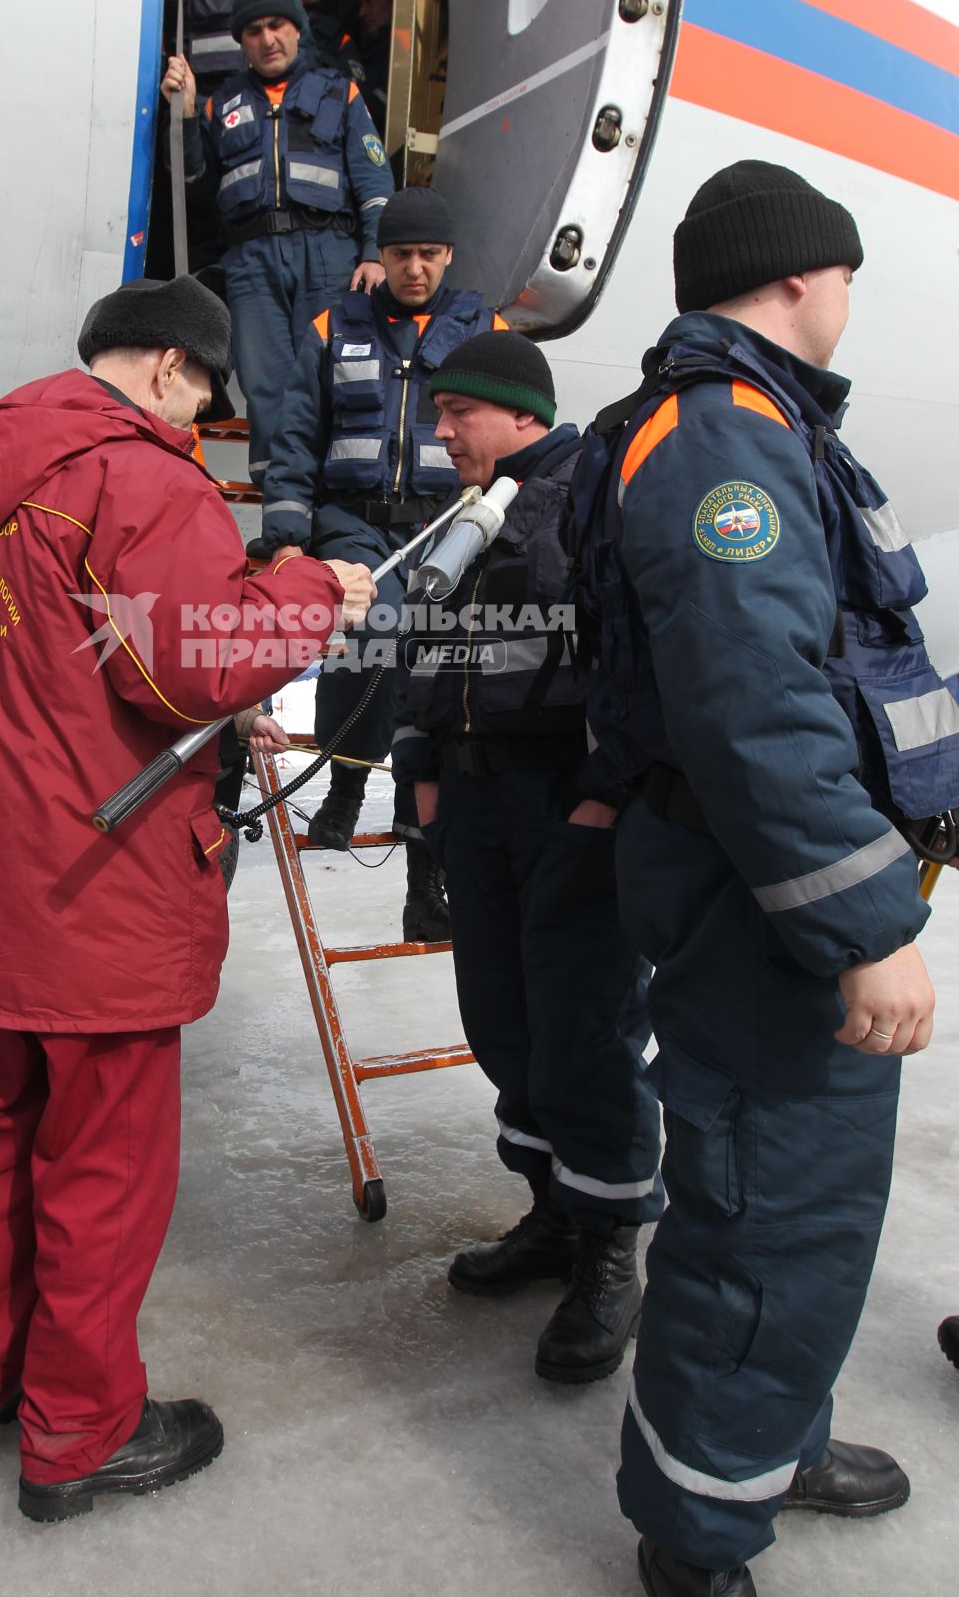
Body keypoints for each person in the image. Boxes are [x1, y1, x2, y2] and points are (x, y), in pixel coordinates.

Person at [0, 276, 375, 1525]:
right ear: (169, 366)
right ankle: (78, 1432)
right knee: (102, 1170)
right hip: (97, 884)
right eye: (206, 393)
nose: (202, 418)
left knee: (2, 1135)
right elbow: (192, 661)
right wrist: (312, 593)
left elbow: (77, 663)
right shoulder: (139, 473)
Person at [567, 162, 952, 1595]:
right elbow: (750, 707)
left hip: (763, 882)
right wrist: (865, 924)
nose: (853, 298)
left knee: (809, 1211)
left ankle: (772, 1441)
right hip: (760, 905)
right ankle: (698, 1532)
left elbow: (844, 670)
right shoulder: (720, 439)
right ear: (801, 275)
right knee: (765, 1214)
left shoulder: (761, 426)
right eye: (846, 273)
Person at [390, 330, 662, 1379]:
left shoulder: (590, 499)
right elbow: (428, 651)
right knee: (503, 1026)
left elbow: (630, 655)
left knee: (585, 1033)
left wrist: (599, 795)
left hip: (562, 802)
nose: (442, 431)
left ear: (520, 412)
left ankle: (606, 1251)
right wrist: (421, 768)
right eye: (438, 413)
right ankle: (553, 1213)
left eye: (459, 411)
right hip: (476, 799)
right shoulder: (465, 514)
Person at [260, 187, 504, 940]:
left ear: (449, 256)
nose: (416, 268)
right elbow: (298, 430)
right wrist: (284, 530)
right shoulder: (336, 323)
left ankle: (418, 850)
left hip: (449, 525)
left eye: (429, 255)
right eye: (402, 254)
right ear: (381, 256)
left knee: (433, 678)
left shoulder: (482, 329)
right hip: (355, 523)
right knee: (366, 641)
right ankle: (343, 783)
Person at [162, 0, 391, 489]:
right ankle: (279, 504)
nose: (267, 38)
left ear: (297, 27)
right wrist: (184, 116)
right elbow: (194, 188)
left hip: (330, 253)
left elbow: (375, 184)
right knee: (265, 384)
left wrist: (374, 253)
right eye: (254, 30)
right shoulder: (221, 105)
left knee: (330, 375)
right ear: (241, 41)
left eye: (277, 26)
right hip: (252, 261)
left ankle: (333, 497)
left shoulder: (342, 92)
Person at [349, 0, 393, 138]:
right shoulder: (363, 54)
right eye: (361, 4)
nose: (362, 13)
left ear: (393, 2)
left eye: (372, 1)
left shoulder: (403, 53)